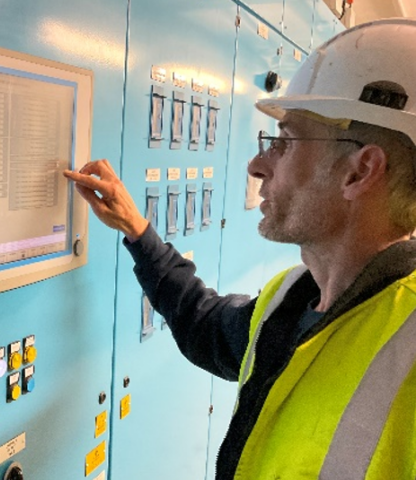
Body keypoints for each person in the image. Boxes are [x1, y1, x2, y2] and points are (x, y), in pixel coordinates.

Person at [64, 19, 416, 480]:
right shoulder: (291, 299)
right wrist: (138, 232)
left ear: (360, 171)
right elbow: (207, 327)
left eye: (285, 143)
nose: (256, 165)